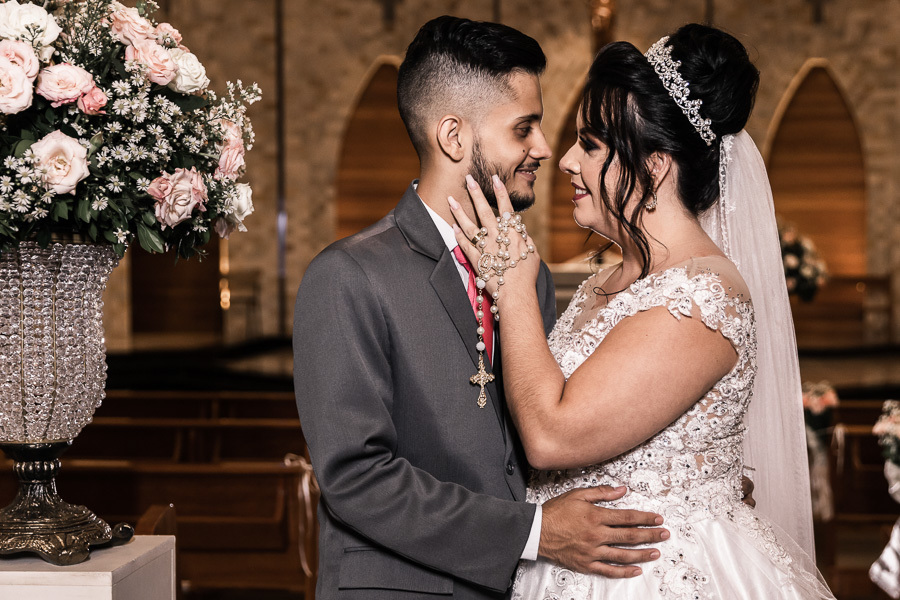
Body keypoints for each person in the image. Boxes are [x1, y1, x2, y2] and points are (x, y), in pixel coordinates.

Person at [449, 23, 836, 599]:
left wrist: (511, 283)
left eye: (592, 145)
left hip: (651, 574)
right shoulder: (605, 280)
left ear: (654, 166)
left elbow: (551, 437)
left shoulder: (702, 296)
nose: (567, 162)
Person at [293, 16, 667, 600]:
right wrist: (535, 532)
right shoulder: (348, 276)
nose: (545, 149)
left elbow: (544, 426)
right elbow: (356, 479)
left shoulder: (529, 275)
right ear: (454, 137)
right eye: (525, 129)